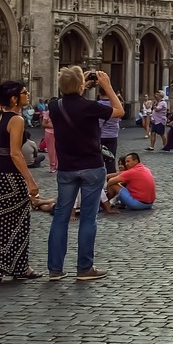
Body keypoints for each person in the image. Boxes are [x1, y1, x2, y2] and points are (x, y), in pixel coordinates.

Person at [47, 66, 124, 281]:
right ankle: (84, 268)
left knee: (61, 217)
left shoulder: (55, 106)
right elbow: (119, 111)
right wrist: (107, 86)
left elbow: (70, 94)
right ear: (81, 86)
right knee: (88, 219)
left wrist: (81, 82)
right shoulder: (91, 106)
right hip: (91, 165)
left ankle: (55, 269)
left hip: (66, 168)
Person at [0, 80, 44, 283]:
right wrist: (31, 181)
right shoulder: (17, 120)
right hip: (9, 176)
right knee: (19, 222)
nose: (28, 94)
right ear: (15, 98)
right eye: (24, 92)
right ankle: (19, 267)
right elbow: (16, 154)